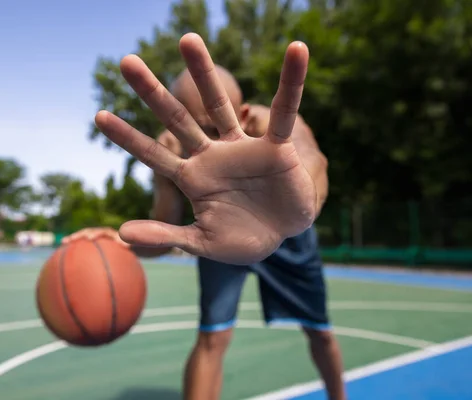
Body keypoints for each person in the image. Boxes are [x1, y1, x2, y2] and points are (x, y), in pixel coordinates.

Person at [64, 33, 346, 399]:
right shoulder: (172, 156)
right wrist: (114, 242)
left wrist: (305, 201)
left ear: (243, 114)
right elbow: (162, 242)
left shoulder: (270, 125)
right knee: (212, 337)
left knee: (320, 331)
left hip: (289, 230)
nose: (210, 141)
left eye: (215, 128)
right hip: (220, 233)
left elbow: (314, 159)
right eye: (198, 129)